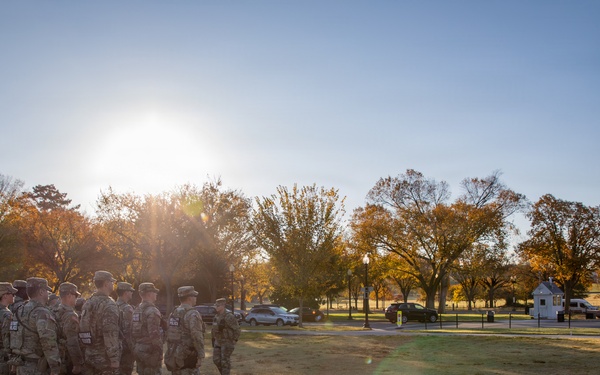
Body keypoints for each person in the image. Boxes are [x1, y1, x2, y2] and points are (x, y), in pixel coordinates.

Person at [9, 277, 60, 375]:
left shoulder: (19, 310)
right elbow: (48, 342)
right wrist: (55, 368)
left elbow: (14, 336)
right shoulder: (42, 313)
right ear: (41, 292)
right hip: (37, 367)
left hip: (20, 365)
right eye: (46, 291)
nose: (48, 294)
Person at [79, 271, 120, 375]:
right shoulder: (109, 305)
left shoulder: (88, 303)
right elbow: (110, 333)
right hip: (104, 358)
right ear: (106, 283)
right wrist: (114, 359)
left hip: (89, 354)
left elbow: (83, 328)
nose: (113, 284)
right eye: (112, 282)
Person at [164, 286, 204, 374]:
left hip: (175, 356)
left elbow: (168, 333)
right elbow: (197, 336)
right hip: (188, 358)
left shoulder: (173, 313)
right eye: (194, 296)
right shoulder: (193, 314)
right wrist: (201, 356)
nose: (195, 298)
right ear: (190, 298)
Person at [132, 283, 163, 375]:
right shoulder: (152, 311)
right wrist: (160, 353)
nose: (156, 294)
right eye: (154, 292)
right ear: (149, 294)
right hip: (150, 352)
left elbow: (132, 331)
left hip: (139, 349)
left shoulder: (137, 310)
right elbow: (155, 335)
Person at [55, 282, 84, 375]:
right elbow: (72, 341)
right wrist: (77, 363)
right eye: (75, 295)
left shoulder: (53, 311)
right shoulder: (70, 315)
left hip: (56, 357)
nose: (76, 299)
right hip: (67, 359)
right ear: (69, 295)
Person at [211, 298, 240, 375]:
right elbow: (214, 329)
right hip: (218, 341)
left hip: (227, 342)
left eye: (218, 306)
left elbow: (237, 329)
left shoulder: (229, 316)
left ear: (223, 306)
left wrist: (234, 340)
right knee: (216, 360)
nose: (216, 307)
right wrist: (213, 340)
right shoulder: (217, 316)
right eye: (215, 306)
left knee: (224, 361)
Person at [115, 282, 135, 375]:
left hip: (115, 347)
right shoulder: (127, 308)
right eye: (130, 291)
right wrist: (133, 349)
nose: (132, 293)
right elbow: (128, 332)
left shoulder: (113, 306)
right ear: (126, 292)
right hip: (125, 350)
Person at [0, 282, 17, 375]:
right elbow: (8, 338)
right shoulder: (7, 314)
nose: (14, 296)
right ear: (4, 295)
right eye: (12, 294)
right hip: (3, 358)